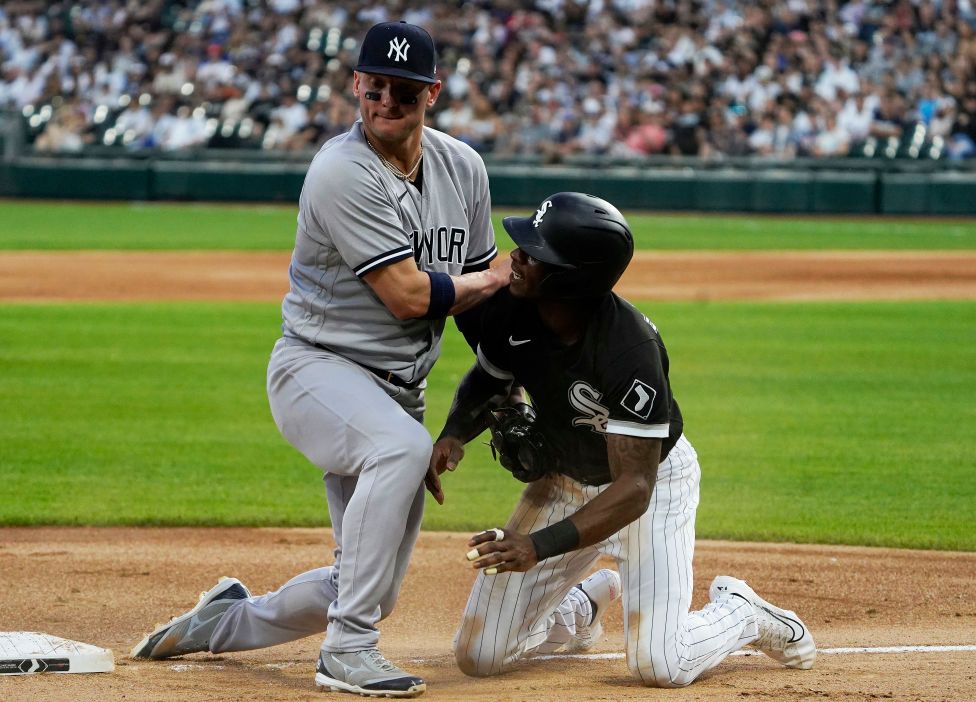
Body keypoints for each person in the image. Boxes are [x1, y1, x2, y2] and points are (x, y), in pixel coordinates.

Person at [130, 21, 510, 698]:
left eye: (405, 90)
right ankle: (347, 652)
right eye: (376, 85)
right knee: (398, 450)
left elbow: (477, 306)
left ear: (432, 94)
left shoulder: (464, 168)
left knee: (365, 584)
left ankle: (221, 621)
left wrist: (505, 380)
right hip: (317, 371)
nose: (387, 100)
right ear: (356, 84)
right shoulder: (341, 169)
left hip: (399, 393)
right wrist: (499, 278)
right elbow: (407, 295)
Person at [429, 192, 816, 687]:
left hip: (651, 492)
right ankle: (580, 609)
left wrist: (537, 546)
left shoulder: (629, 351)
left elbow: (634, 487)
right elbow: (488, 380)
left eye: (534, 253)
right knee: (478, 656)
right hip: (564, 483)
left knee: (662, 665)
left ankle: (740, 612)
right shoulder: (511, 307)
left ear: (572, 279)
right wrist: (454, 433)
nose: (516, 256)